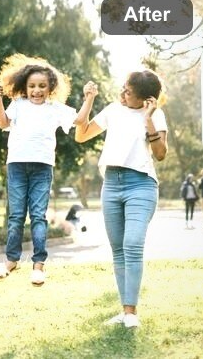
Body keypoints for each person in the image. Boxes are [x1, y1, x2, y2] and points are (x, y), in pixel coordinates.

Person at [0, 54, 97, 286]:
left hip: (42, 168)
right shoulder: (18, 105)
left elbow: (79, 119)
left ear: (50, 88)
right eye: (32, 86)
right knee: (17, 215)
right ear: (24, 87)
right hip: (17, 165)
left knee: (38, 215)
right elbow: (2, 123)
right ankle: (11, 260)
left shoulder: (55, 109)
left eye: (41, 86)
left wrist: (89, 98)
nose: (36, 90)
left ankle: (38, 265)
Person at [75, 69, 168, 329]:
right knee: (118, 250)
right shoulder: (113, 110)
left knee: (133, 244)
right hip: (112, 184)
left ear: (146, 99)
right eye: (124, 88)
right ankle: (125, 311)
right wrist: (89, 100)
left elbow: (160, 154)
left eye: (129, 91)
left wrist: (148, 119)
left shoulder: (156, 114)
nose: (122, 93)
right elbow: (80, 136)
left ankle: (131, 313)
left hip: (141, 184)